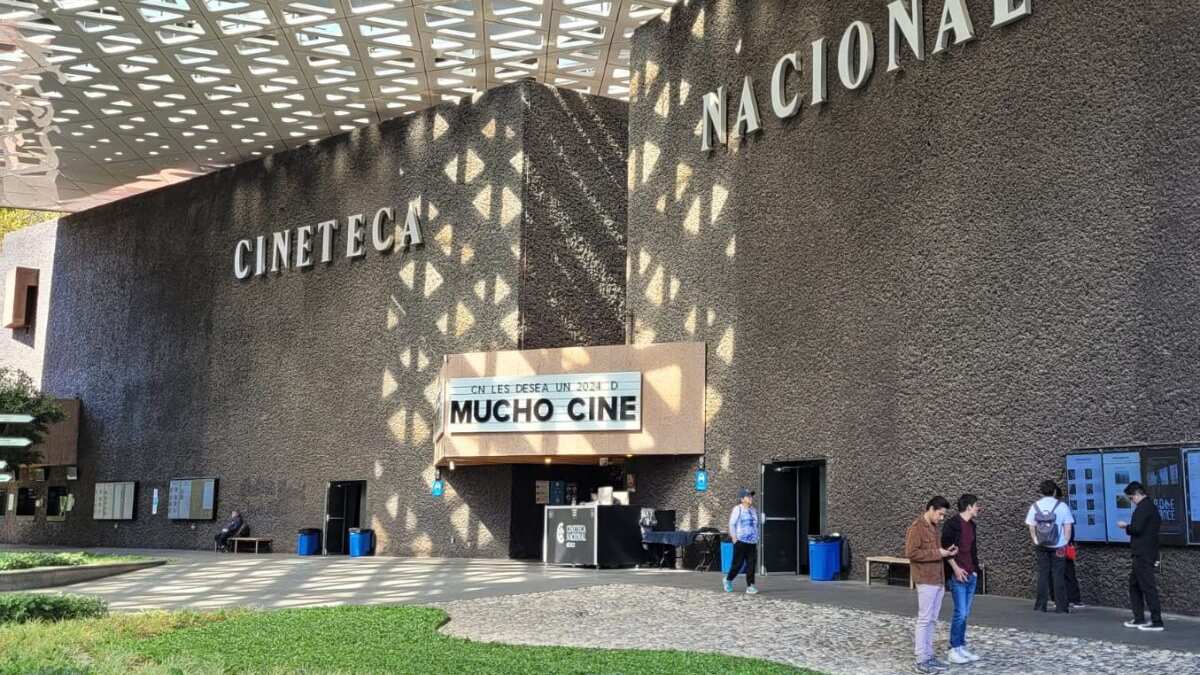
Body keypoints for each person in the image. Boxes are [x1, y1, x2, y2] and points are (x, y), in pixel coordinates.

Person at [905, 496, 958, 674]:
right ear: (931, 509)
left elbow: (936, 552)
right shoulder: (916, 527)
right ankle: (921, 660)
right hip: (926, 579)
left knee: (932, 620)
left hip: (938, 579)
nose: (942, 518)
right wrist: (938, 553)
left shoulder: (934, 528)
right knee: (925, 620)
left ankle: (928, 656)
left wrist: (945, 552)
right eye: (940, 514)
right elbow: (911, 553)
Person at [941, 494, 982, 665]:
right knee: (961, 612)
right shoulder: (952, 525)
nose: (979, 508)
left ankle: (960, 646)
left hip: (970, 574)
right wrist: (956, 570)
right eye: (977, 505)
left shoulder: (972, 525)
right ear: (969, 507)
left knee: (965, 614)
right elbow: (945, 549)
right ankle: (953, 648)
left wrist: (975, 571)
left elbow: (972, 550)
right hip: (957, 575)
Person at [1118, 481, 1164, 631]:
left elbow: (1137, 529)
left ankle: (1156, 621)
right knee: (1134, 585)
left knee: (1148, 587)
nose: (1131, 501)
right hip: (1146, 552)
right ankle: (1139, 617)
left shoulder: (1143, 508)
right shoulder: (1151, 507)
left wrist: (1126, 526)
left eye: (1131, 498)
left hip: (1142, 554)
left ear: (1138, 494)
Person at [1025, 480, 1074, 613]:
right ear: (1054, 491)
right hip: (1059, 546)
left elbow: (1031, 525)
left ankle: (1041, 606)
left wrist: (1035, 540)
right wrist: (1065, 541)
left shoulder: (1035, 506)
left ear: (1042, 491)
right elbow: (1068, 527)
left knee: (1043, 574)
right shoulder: (1062, 506)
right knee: (1058, 575)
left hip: (1041, 545)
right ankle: (1061, 606)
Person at [1053, 484, 1084, 608]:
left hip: (1055, 545)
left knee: (1057, 572)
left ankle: (1060, 599)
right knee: (1069, 572)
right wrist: (1070, 542)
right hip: (1066, 544)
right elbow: (1070, 526)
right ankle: (1075, 599)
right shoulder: (1064, 506)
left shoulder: (1051, 507)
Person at [724, 488, 759, 594]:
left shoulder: (754, 510)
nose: (750, 498)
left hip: (752, 543)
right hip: (740, 541)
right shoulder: (737, 509)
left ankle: (750, 586)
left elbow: (756, 525)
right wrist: (734, 538)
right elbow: (732, 524)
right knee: (737, 565)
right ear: (742, 499)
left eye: (751, 496)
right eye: (748, 496)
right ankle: (728, 580)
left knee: (751, 565)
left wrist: (757, 537)